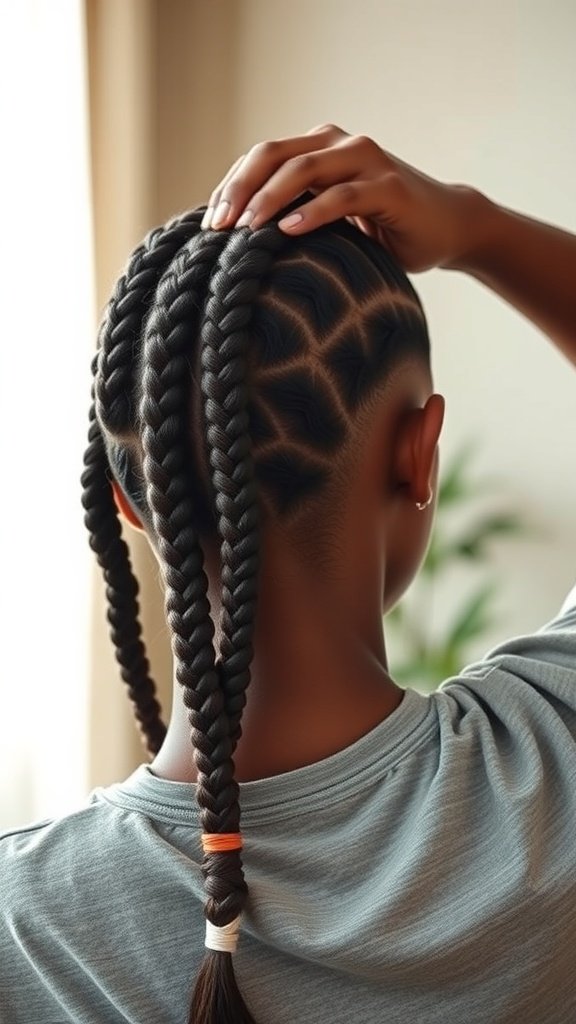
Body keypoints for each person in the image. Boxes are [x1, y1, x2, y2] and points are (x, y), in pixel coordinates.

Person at [1, 123, 575, 1024]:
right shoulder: (551, 761)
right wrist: (474, 228)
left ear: (127, 500)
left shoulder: (22, 924)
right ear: (420, 455)